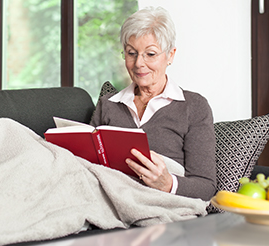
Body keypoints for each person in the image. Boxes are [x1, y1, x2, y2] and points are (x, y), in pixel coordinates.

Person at [90, 6, 216, 201]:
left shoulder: (194, 107)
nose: (139, 63)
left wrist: (167, 184)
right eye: (131, 53)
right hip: (106, 195)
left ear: (170, 55)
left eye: (150, 54)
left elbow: (206, 187)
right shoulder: (108, 104)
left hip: (157, 202)